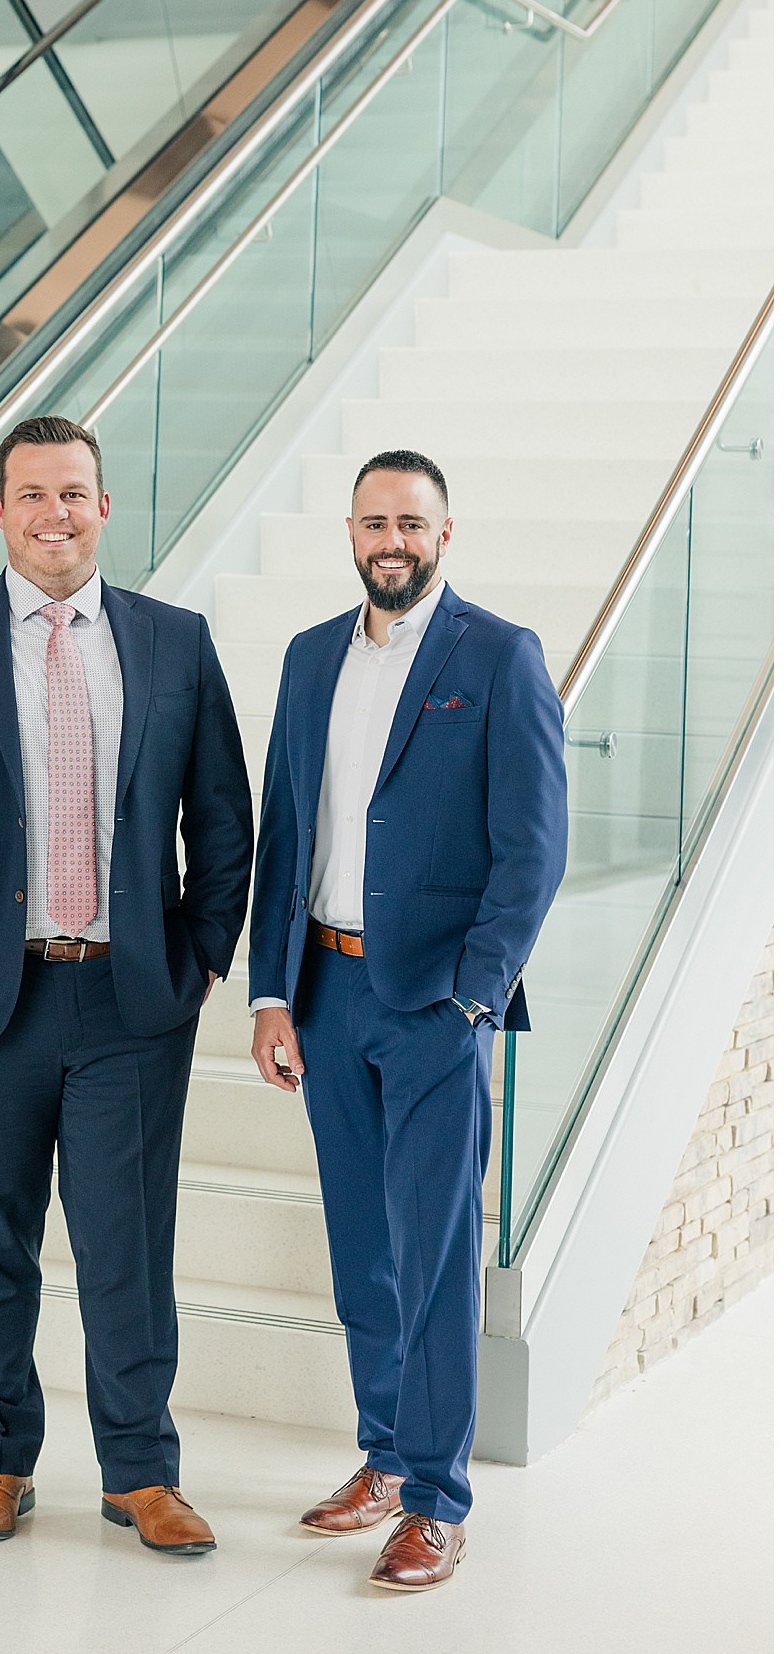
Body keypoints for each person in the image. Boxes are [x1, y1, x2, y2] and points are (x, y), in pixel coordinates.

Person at [0, 416, 253, 1554]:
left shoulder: (175, 639)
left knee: (129, 1242)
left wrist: (206, 953)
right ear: (0, 511)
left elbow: (221, 812)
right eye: (31, 494)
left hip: (132, 999)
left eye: (74, 492)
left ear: (105, 507)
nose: (54, 513)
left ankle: (141, 1469)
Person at [249, 449, 566, 1592]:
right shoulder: (306, 657)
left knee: (434, 1256)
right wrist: (271, 989)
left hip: (435, 1003)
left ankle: (438, 1497)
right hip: (326, 994)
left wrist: (475, 994)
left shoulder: (499, 655)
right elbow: (286, 827)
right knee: (362, 1249)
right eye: (375, 519)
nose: (393, 538)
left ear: (446, 532)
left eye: (413, 521)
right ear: (348, 530)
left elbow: (532, 853)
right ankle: (383, 1455)